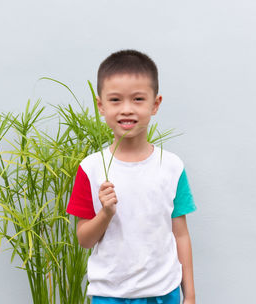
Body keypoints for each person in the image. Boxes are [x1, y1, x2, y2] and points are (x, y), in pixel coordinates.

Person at [66, 50, 197, 304]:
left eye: (138, 99)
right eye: (115, 100)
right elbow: (84, 240)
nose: (126, 109)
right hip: (110, 295)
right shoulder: (90, 168)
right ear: (101, 106)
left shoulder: (171, 166)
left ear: (155, 104)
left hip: (163, 292)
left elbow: (180, 234)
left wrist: (189, 294)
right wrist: (105, 213)